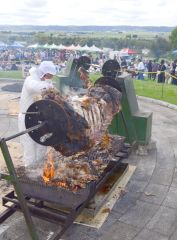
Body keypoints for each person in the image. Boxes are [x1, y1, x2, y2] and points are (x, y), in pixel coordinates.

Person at [18, 61, 56, 167]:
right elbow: (38, 87)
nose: (50, 78)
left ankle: (39, 168)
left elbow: (48, 89)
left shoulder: (45, 82)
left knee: (41, 143)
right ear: (43, 73)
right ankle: (29, 171)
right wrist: (50, 86)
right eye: (49, 76)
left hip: (39, 118)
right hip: (27, 117)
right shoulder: (30, 80)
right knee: (29, 145)